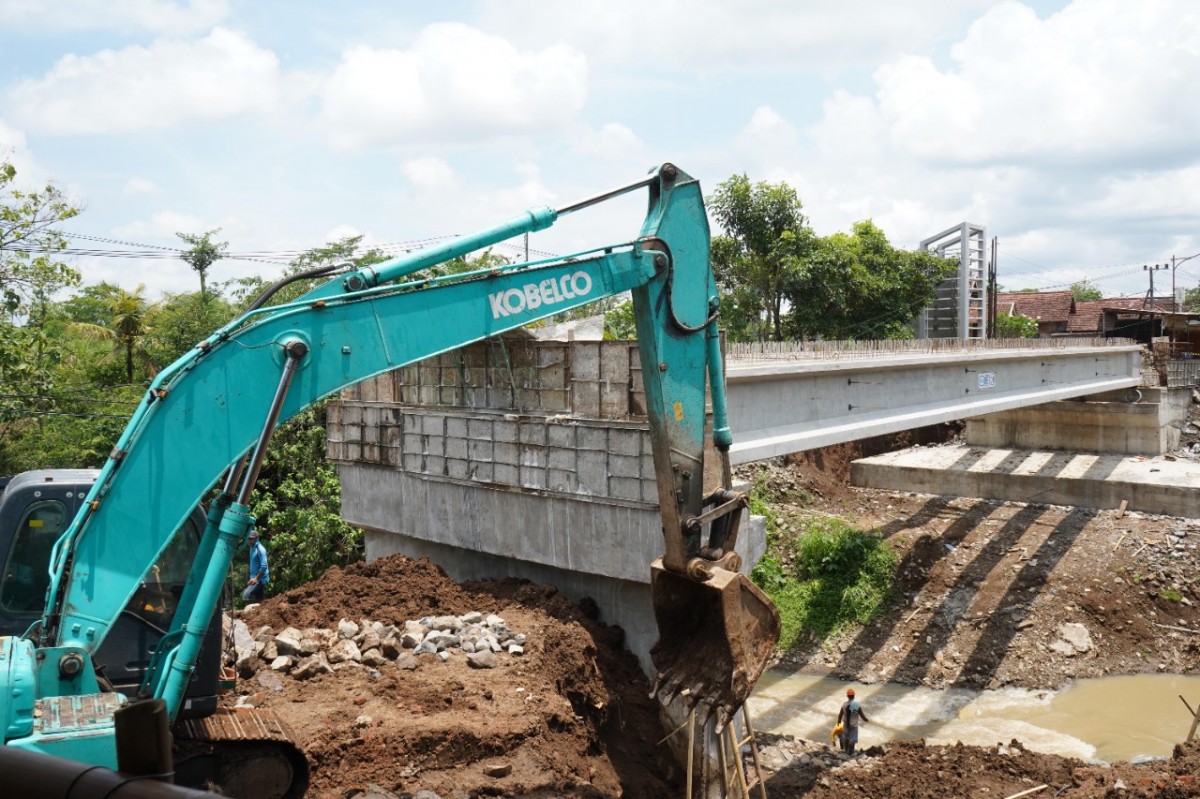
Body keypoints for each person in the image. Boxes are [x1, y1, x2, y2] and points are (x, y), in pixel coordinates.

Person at [836, 687, 869, 755]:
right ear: (853, 696)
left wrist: (839, 721)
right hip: (854, 725)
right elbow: (862, 715)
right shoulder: (857, 705)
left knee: (846, 737)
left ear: (847, 696)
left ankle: (846, 751)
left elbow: (840, 714)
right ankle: (851, 752)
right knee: (853, 739)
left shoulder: (844, 704)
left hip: (846, 724)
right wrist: (866, 719)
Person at [242, 528, 269, 604]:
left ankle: (250, 614)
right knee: (260, 599)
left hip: (259, 579)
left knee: (246, 596)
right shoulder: (252, 547)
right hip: (254, 577)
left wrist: (256, 579)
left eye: (252, 539)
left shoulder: (260, 549)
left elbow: (264, 566)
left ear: (257, 538)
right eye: (249, 538)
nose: (249, 540)